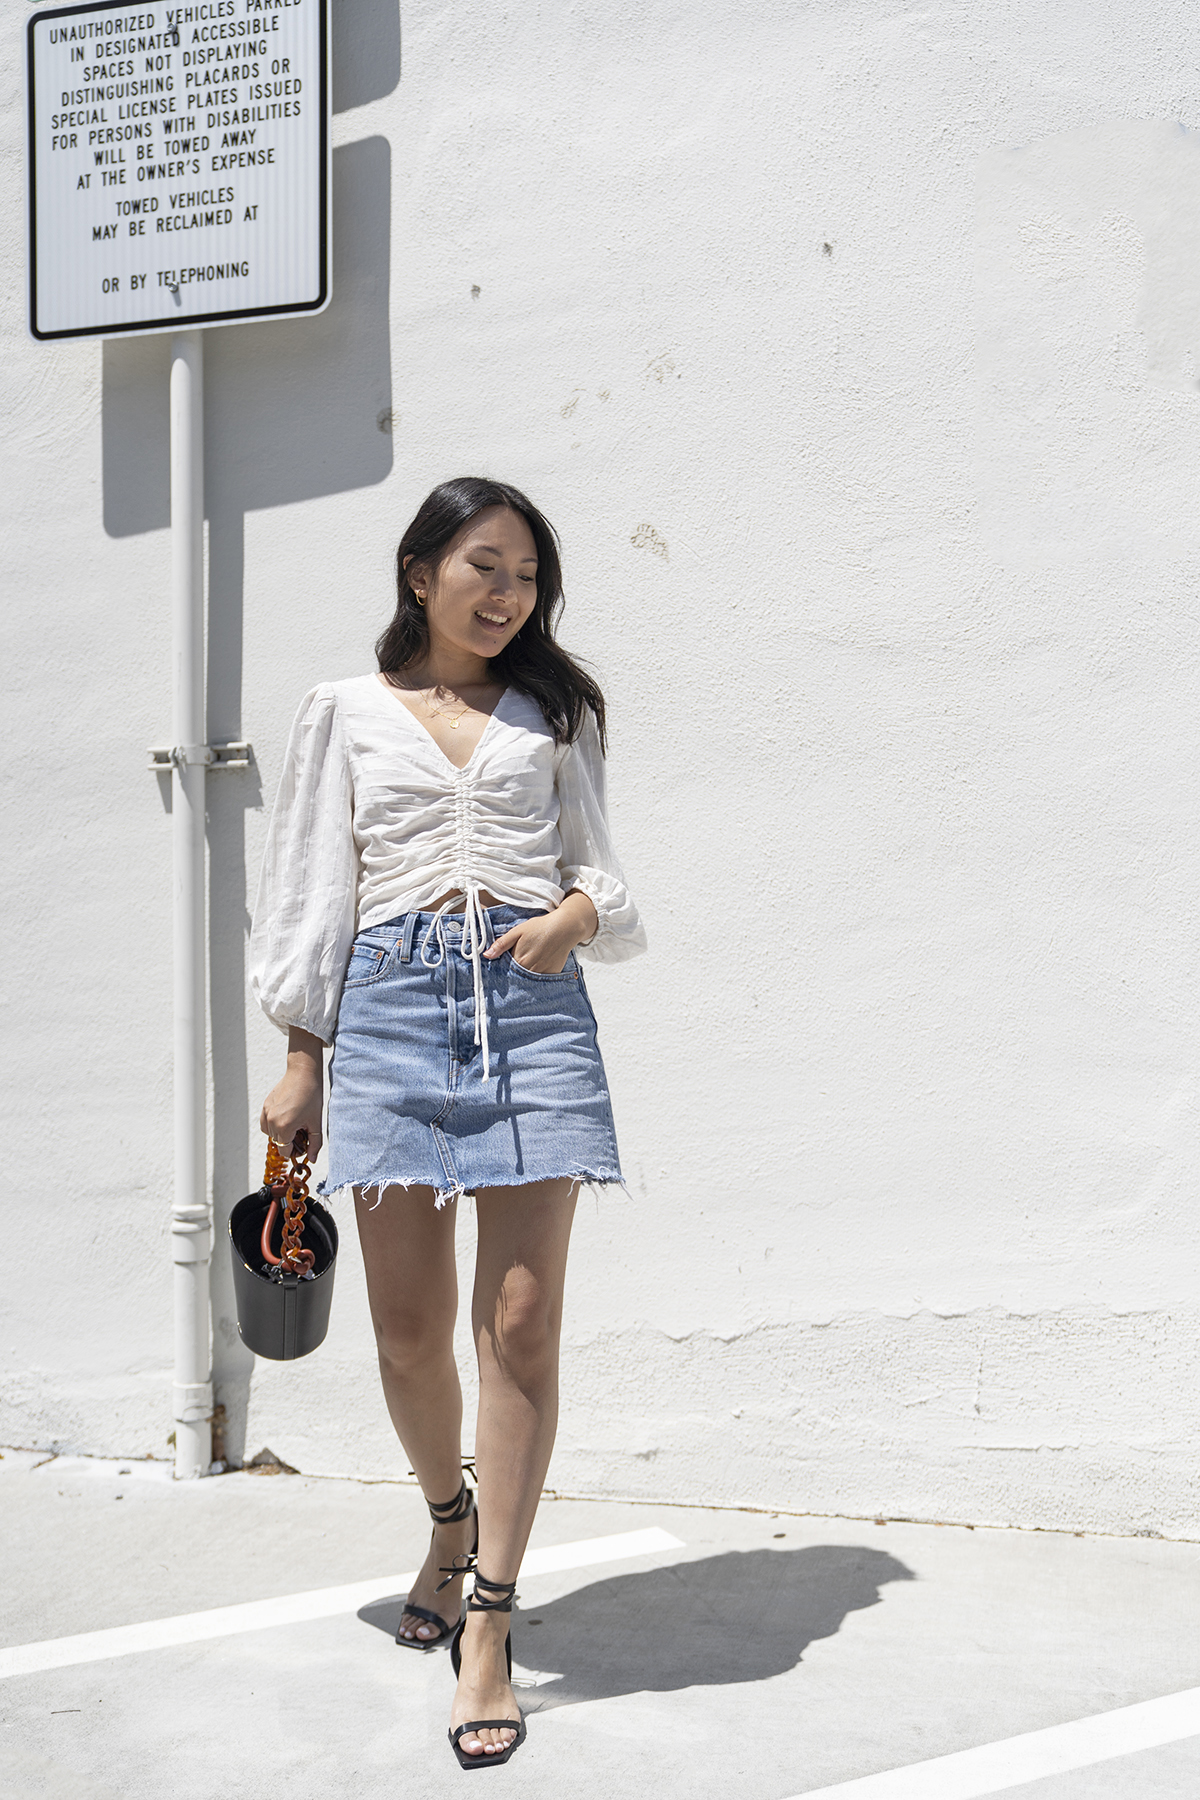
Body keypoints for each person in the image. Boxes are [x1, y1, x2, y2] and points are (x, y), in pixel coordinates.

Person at [249, 477, 646, 1767]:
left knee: (519, 1324)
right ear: (419, 571)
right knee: (410, 1334)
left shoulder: (552, 714)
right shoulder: (346, 713)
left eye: (528, 576)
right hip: (389, 1015)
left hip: (533, 1012)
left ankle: (491, 1617)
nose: (508, 594)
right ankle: (445, 1519)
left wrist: (574, 919)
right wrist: (302, 1057)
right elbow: (314, 889)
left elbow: (606, 881)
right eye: (486, 565)